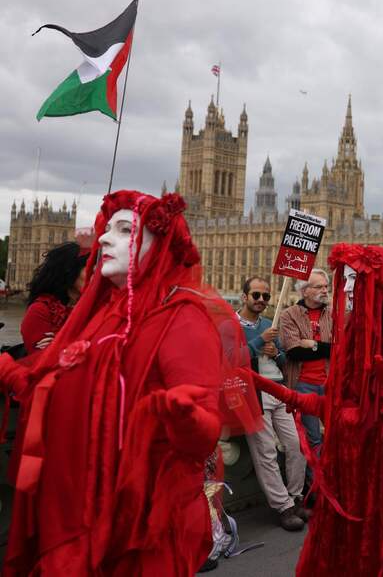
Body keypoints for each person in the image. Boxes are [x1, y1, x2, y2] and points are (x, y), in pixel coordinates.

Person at [0, 190, 261, 575]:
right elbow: (58, 384)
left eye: (125, 230)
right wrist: (10, 370)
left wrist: (185, 416)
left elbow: (202, 431)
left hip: (142, 512)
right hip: (83, 502)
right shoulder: (104, 316)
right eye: (108, 228)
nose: (104, 238)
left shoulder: (182, 319)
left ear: (160, 245)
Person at [252, 244, 383, 576]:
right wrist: (290, 395)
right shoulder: (352, 345)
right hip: (349, 479)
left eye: (352, 282)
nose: (343, 291)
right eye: (340, 282)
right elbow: (337, 409)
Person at [238, 276, 308, 531]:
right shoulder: (231, 325)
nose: (261, 300)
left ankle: (296, 496)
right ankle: (283, 507)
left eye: (265, 296)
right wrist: (258, 342)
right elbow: (230, 359)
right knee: (266, 452)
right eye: (256, 295)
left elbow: (284, 364)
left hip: (278, 390)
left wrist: (276, 353)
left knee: (297, 445)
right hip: (252, 393)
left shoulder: (270, 323)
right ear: (244, 296)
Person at [279, 270, 333, 472]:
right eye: (319, 286)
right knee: (313, 439)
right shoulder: (289, 314)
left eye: (326, 286)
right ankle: (317, 485)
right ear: (305, 291)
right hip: (303, 385)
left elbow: (340, 350)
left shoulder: (333, 314)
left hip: (329, 383)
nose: (325, 290)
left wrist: (312, 345)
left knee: (336, 434)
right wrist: (324, 347)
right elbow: (294, 352)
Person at [20, 241, 88, 356]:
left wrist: (59, 345)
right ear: (69, 271)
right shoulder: (40, 310)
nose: (95, 274)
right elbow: (39, 362)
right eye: (88, 268)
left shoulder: (96, 306)